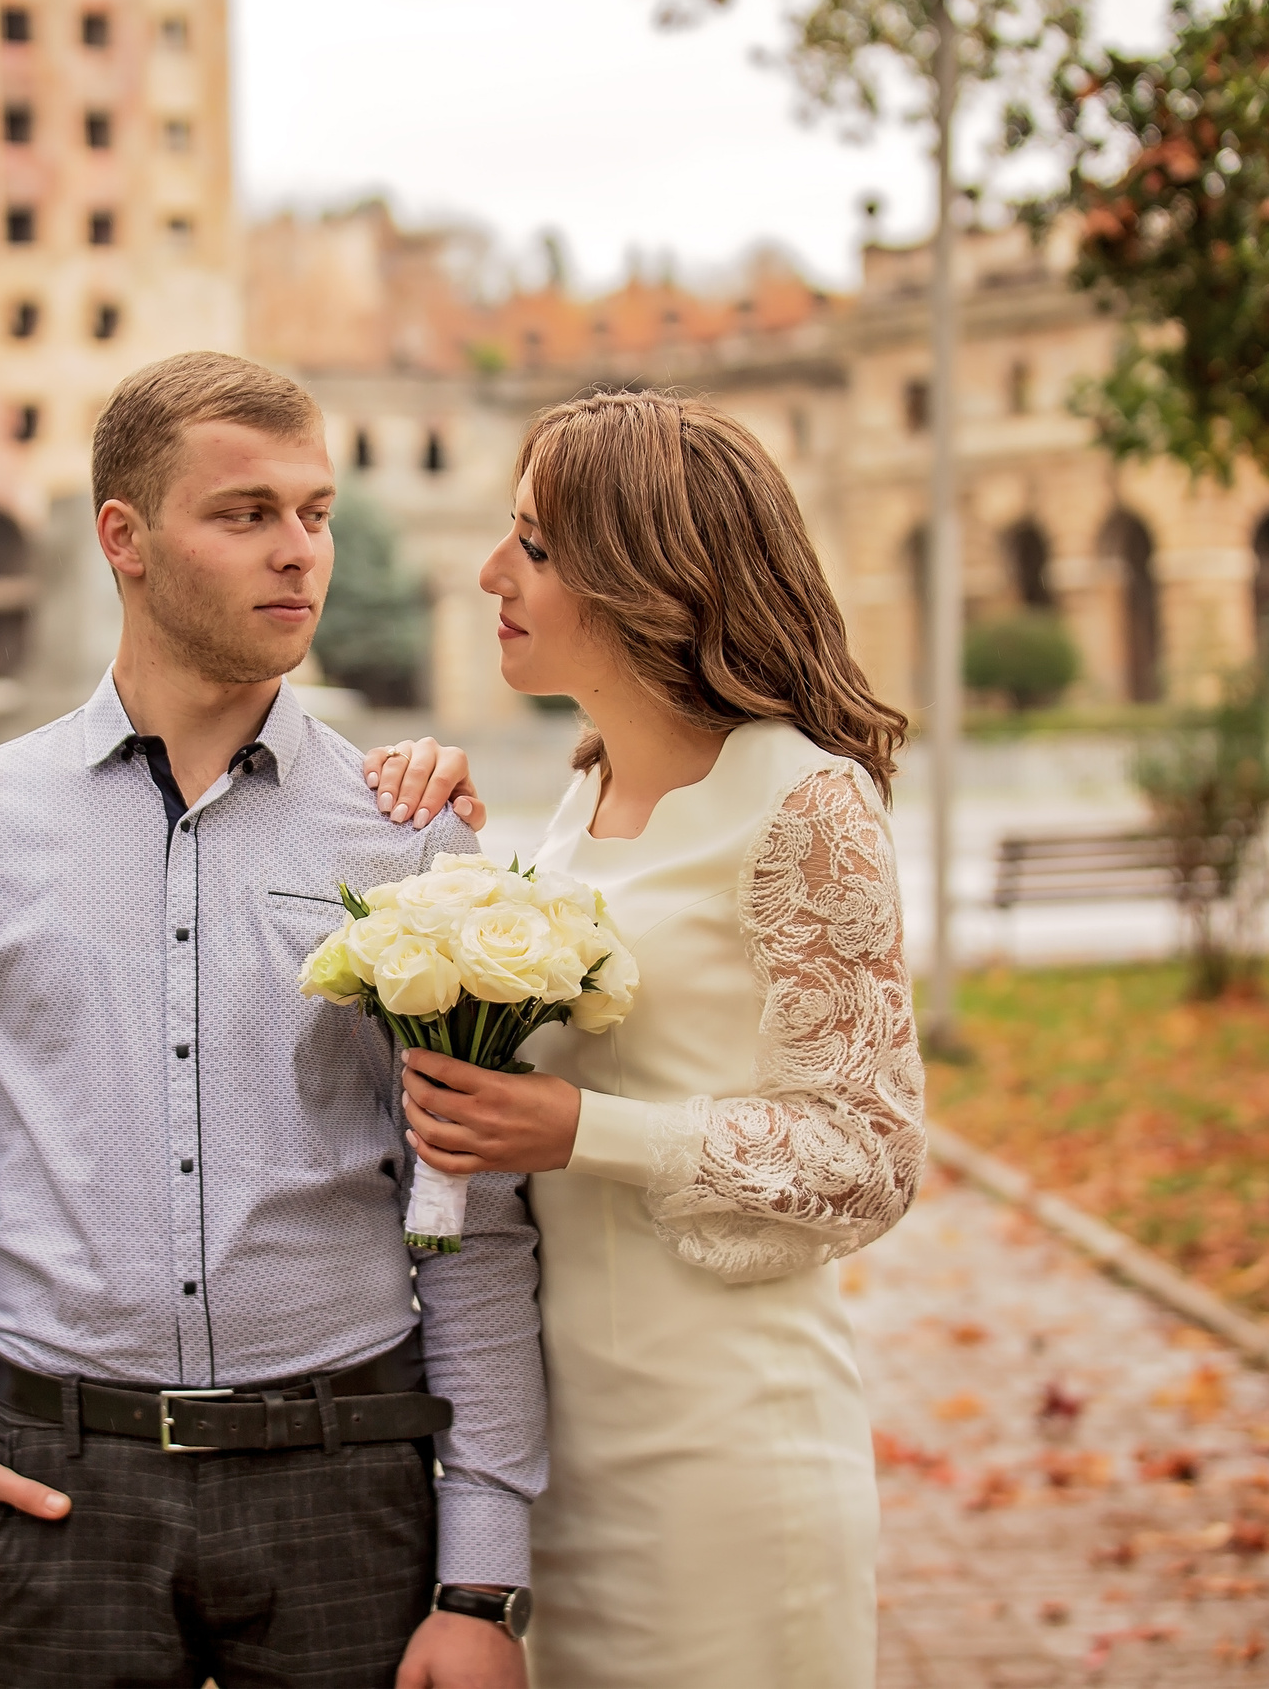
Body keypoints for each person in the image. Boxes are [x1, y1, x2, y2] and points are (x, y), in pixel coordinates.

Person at [0, 351, 547, 1689]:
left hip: (351, 1483)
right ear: (125, 539)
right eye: (246, 513)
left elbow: (474, 1205)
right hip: (58, 1499)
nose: (299, 554)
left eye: (314, 513)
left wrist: (482, 1577)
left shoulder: (408, 837)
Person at [363, 389, 926, 1687]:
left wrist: (584, 1134)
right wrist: (426, 843)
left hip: (728, 1461)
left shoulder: (804, 802)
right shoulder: (577, 794)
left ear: (646, 579)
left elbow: (871, 1154)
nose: (489, 573)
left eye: (536, 549)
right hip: (569, 1472)